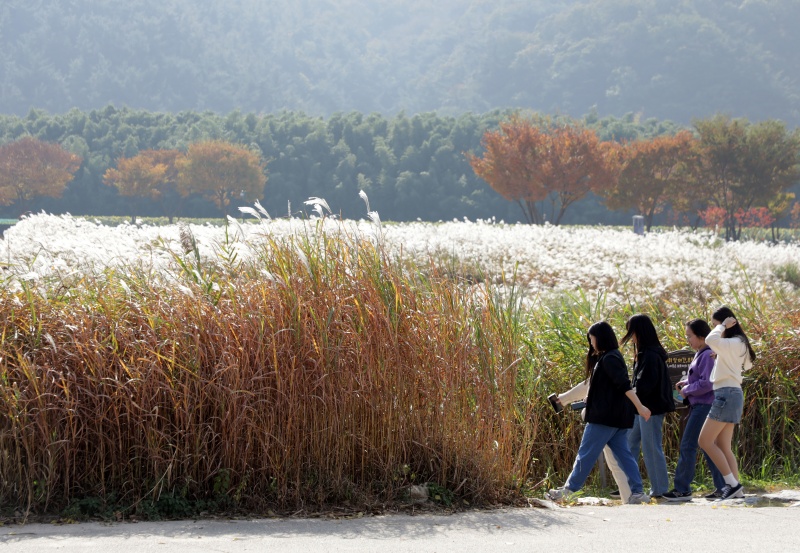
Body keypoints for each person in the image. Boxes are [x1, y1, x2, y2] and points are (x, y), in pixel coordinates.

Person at [547, 321, 652, 504]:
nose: (591, 342)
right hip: (616, 419)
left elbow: (624, 385)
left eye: (592, 338)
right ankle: (637, 492)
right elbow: (611, 388)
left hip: (603, 419)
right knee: (625, 457)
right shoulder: (611, 357)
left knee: (586, 454)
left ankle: (569, 490)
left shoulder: (609, 359)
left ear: (599, 338)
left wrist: (640, 407)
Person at [662, 319, 725, 501]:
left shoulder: (706, 355)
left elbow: (708, 383)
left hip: (704, 406)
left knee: (688, 445)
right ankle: (723, 486)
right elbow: (702, 378)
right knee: (707, 447)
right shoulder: (702, 353)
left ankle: (682, 489)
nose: (687, 340)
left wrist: (687, 389)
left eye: (690, 336)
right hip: (702, 405)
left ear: (700, 336)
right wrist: (686, 383)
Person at [698, 306, 756, 501]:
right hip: (731, 394)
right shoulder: (737, 342)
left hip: (726, 394)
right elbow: (746, 364)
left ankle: (732, 484)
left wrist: (722, 326)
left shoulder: (732, 342)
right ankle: (737, 491)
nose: (717, 329)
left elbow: (709, 340)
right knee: (723, 444)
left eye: (716, 325)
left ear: (727, 324)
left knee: (704, 441)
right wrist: (722, 354)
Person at [550, 379, 634, 503]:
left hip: (607, 416)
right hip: (610, 415)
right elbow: (592, 382)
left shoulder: (609, 361)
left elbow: (600, 383)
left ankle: (569, 490)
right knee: (616, 462)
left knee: (594, 456)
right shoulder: (607, 363)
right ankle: (631, 498)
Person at [620, 314, 674, 499]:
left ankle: (659, 489)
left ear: (639, 332)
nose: (631, 337)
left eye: (632, 332)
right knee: (629, 444)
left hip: (650, 409)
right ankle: (629, 487)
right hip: (641, 409)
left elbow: (645, 385)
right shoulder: (646, 353)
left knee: (651, 448)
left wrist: (628, 393)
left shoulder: (650, 355)